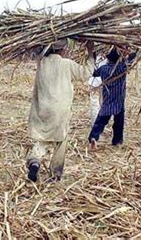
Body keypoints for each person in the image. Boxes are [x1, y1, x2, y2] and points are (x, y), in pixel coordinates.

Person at [26, 39, 95, 182]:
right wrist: (90, 53)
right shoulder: (66, 64)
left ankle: (34, 161)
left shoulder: (42, 63)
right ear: (63, 50)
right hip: (59, 110)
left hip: (42, 109)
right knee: (60, 140)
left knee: (42, 139)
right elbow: (86, 73)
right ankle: (55, 172)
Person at [88, 47, 136, 149]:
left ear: (108, 58)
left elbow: (94, 73)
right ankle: (117, 141)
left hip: (107, 100)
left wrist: (93, 55)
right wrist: (134, 49)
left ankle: (93, 137)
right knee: (119, 122)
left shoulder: (103, 69)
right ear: (119, 58)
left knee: (100, 121)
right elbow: (131, 59)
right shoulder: (122, 68)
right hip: (118, 101)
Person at [88, 44, 107, 125]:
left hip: (95, 82)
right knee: (101, 102)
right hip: (102, 81)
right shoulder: (106, 59)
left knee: (95, 103)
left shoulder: (92, 59)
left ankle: (95, 123)